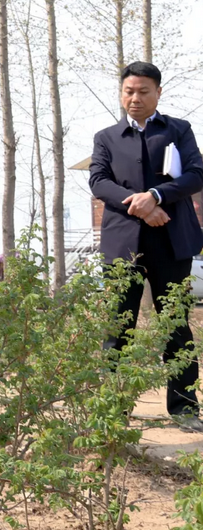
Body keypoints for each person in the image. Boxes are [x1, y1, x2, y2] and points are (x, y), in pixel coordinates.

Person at [89, 61, 203, 432]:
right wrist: (140, 206)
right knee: (118, 325)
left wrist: (155, 195)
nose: (134, 98)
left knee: (175, 324)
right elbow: (99, 182)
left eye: (142, 91)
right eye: (128, 91)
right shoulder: (106, 137)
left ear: (158, 92)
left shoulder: (179, 130)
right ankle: (113, 410)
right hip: (124, 244)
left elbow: (195, 175)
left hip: (173, 241)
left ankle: (185, 408)